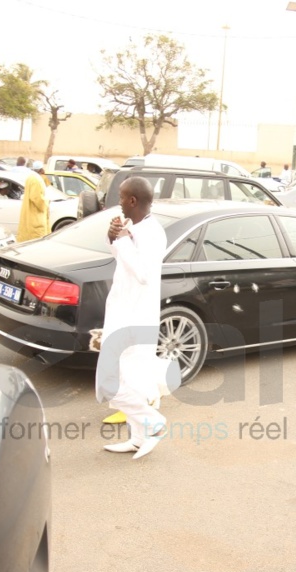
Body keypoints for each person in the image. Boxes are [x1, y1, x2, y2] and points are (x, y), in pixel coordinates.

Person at [97, 176, 175, 460]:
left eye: (120, 197)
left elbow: (143, 273)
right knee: (131, 381)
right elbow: (120, 255)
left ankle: (154, 423)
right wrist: (113, 237)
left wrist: (122, 240)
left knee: (108, 383)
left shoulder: (153, 233)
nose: (118, 203)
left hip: (134, 319)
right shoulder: (134, 226)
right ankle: (137, 437)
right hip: (121, 312)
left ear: (133, 200)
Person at [16, 161, 49, 242]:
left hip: (32, 213)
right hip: (35, 217)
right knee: (36, 241)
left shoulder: (32, 178)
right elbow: (36, 198)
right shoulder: (36, 180)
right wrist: (46, 203)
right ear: (41, 170)